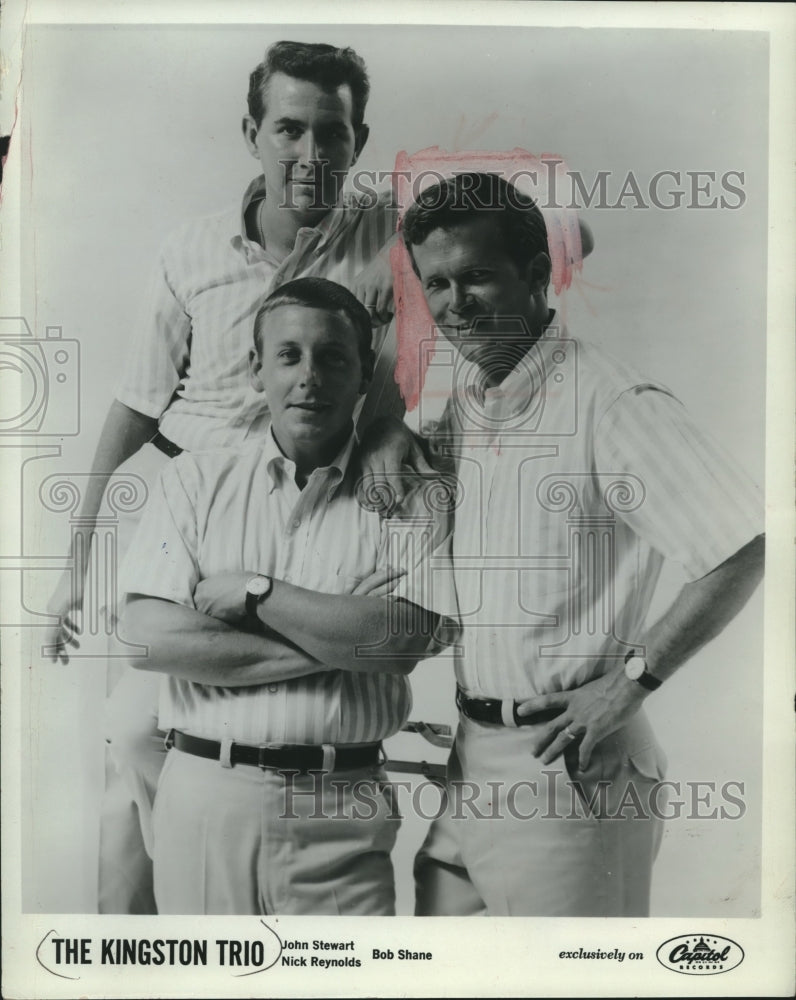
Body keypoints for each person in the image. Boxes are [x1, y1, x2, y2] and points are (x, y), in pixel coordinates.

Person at [42, 39, 412, 914]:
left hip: (311, 510)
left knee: (305, 704)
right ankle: (139, 945)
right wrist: (74, 561)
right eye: (289, 129)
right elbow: (134, 407)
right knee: (134, 731)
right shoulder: (190, 250)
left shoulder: (388, 242)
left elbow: (417, 355)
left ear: (359, 141)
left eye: (333, 133)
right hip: (187, 514)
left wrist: (391, 429)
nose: (310, 156)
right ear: (253, 132)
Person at [379, 171, 765, 917]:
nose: (457, 303)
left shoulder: (611, 403)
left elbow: (743, 545)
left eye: (479, 277)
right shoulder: (469, 402)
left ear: (535, 275)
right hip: (470, 766)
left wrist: (631, 685)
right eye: (440, 284)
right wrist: (393, 431)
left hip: (569, 771)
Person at [118, 277, 457, 914]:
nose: (310, 376)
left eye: (334, 357)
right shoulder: (194, 479)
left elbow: (401, 641)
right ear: (256, 370)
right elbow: (146, 637)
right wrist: (343, 635)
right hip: (206, 799)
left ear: (363, 376)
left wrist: (256, 594)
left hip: (343, 806)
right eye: (288, 355)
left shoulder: (407, 491)